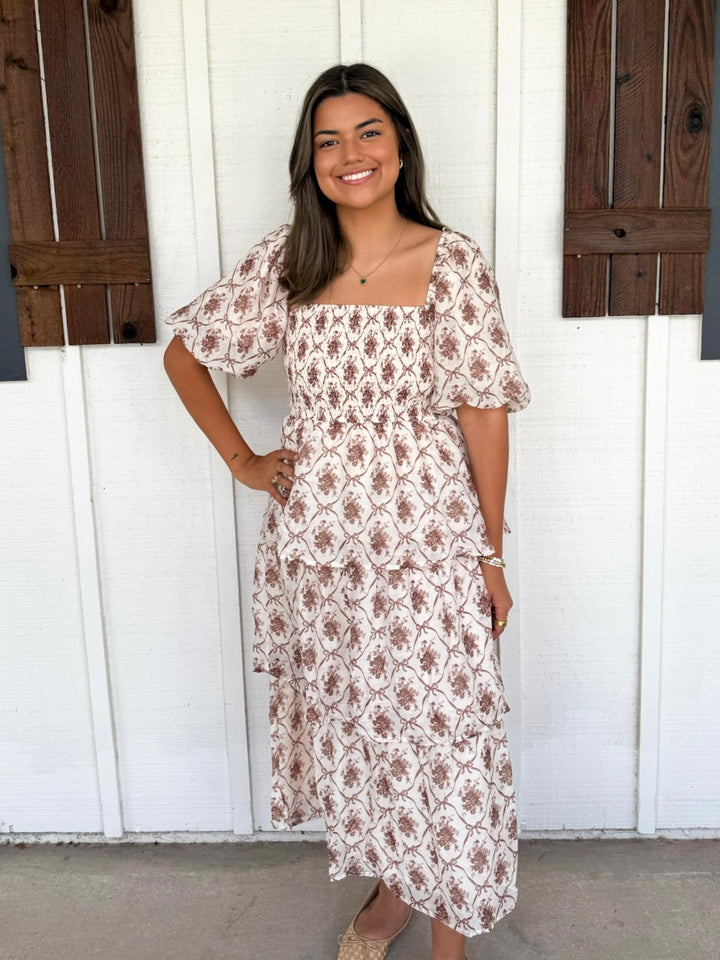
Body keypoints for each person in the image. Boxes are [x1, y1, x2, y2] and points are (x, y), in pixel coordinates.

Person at [163, 63, 530, 960]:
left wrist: (489, 555)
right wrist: (245, 462)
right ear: (311, 162)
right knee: (370, 729)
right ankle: (394, 888)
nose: (350, 154)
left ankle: (451, 944)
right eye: (327, 140)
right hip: (320, 548)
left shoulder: (451, 262)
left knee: (447, 734)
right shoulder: (290, 260)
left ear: (400, 145)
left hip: (430, 540)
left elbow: (484, 412)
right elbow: (185, 355)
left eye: (368, 132)